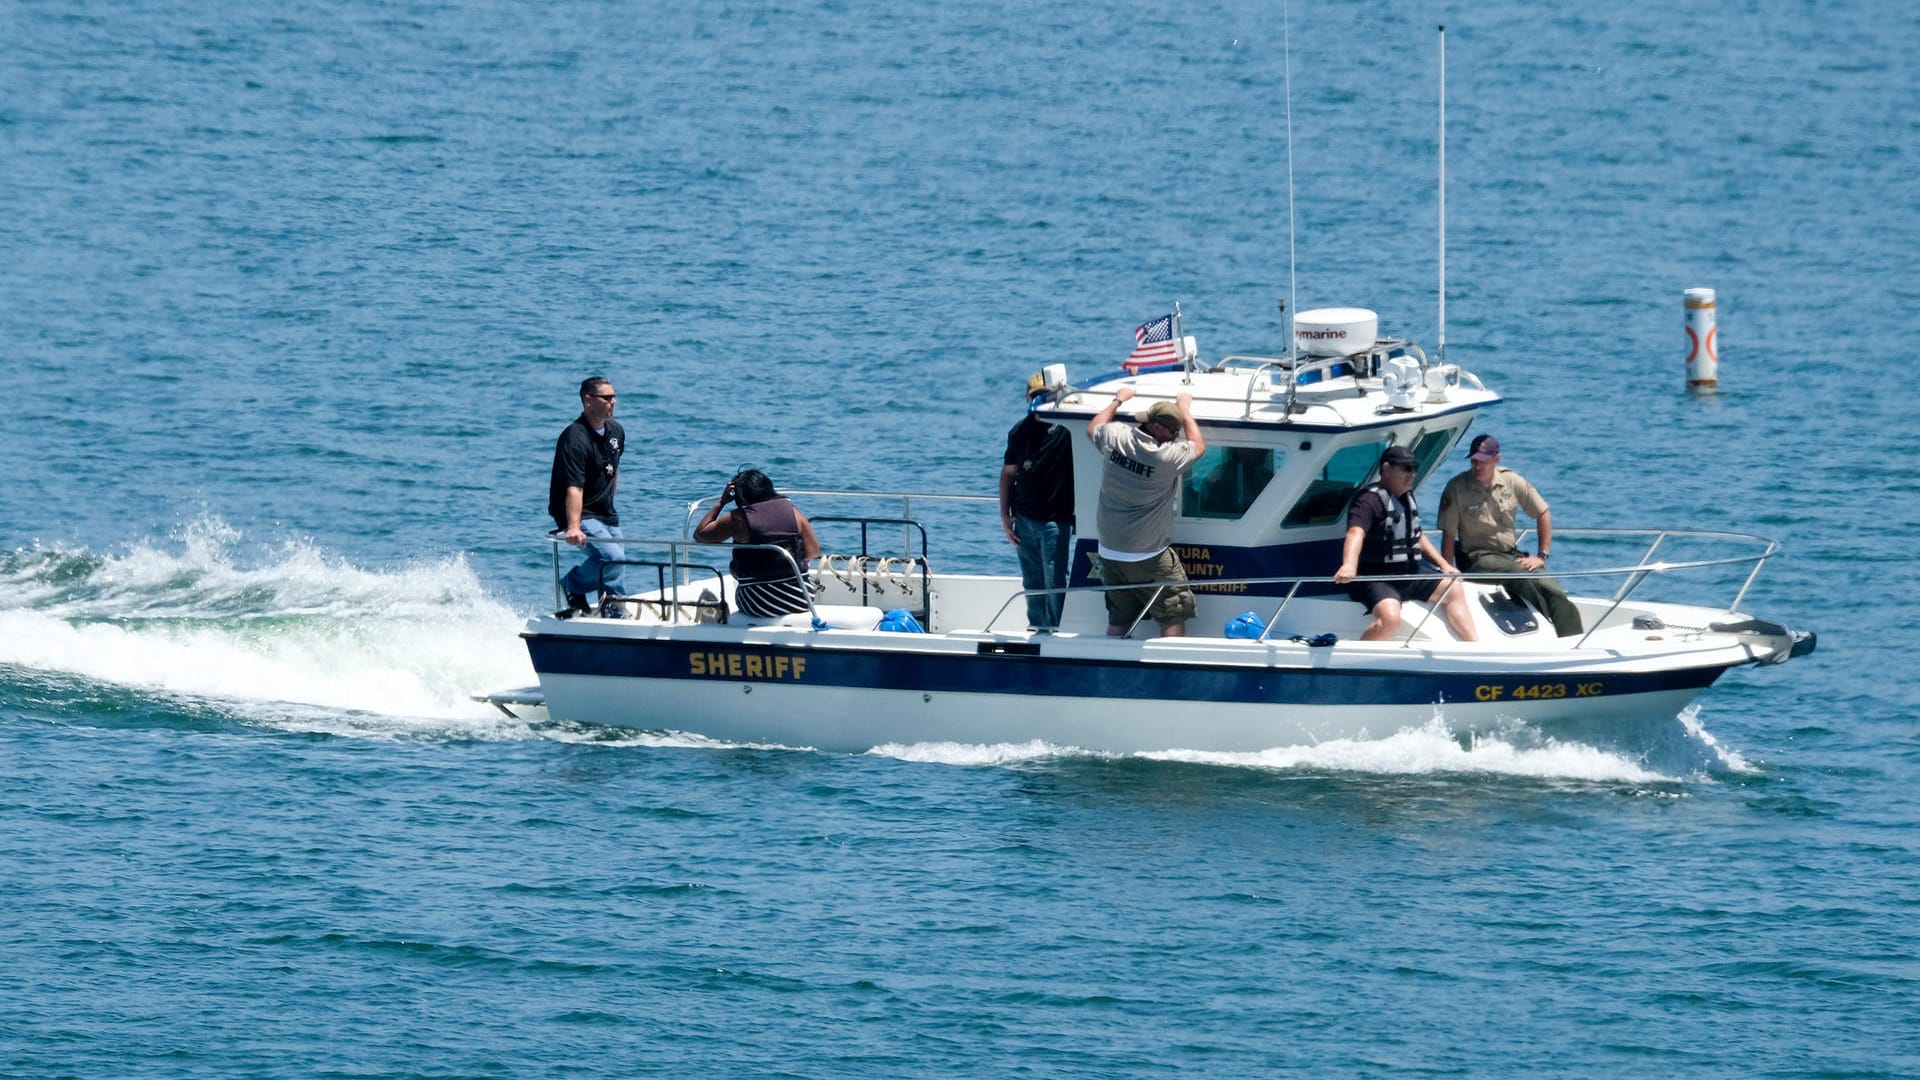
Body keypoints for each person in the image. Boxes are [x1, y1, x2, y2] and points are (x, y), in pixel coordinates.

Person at [1084, 387, 1205, 637]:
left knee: (1120, 615)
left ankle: (1112, 665)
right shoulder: (1165, 457)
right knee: (1174, 611)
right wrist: (1185, 410)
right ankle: (1171, 670)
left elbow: (1092, 428)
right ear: (1158, 430)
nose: (1175, 437)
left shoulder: (1117, 437)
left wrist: (1117, 400)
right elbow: (1198, 446)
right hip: (1148, 554)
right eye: (1173, 432)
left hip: (1108, 551)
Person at [1437, 434, 1583, 636]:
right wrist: (1448, 571)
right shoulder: (1457, 488)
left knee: (1551, 588)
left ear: (1496, 459)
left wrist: (1541, 556)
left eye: (1482, 461)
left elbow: (1542, 512)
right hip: (1477, 558)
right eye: (1473, 461)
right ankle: (1550, 628)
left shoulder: (1511, 481)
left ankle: (1573, 638)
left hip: (1510, 554)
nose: (1476, 466)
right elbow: (1448, 534)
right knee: (1519, 575)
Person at [1333, 445, 1479, 642]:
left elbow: (1418, 536)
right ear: (1386, 469)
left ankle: (1473, 646)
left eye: (1414, 469)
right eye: (1406, 469)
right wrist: (1349, 565)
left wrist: (1444, 565)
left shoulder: (1406, 498)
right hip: (1376, 578)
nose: (1412, 474)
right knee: (1391, 619)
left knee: (1453, 589)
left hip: (1409, 573)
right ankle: (1352, 660)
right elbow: (1355, 532)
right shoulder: (1368, 501)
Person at [1000, 373, 1075, 629]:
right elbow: (1008, 474)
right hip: (1024, 518)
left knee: (1055, 582)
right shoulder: (1019, 431)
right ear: (1026, 398)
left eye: (1045, 395)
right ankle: (1036, 627)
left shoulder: (1065, 430)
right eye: (1035, 395)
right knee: (1031, 582)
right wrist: (1005, 517)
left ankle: (1054, 631)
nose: (1039, 400)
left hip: (1055, 521)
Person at [548, 376, 627, 617]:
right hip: (580, 511)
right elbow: (574, 487)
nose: (613, 402)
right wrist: (572, 526)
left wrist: (610, 503)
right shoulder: (575, 437)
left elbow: (612, 470)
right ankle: (572, 584)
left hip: (605, 511)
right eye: (606, 397)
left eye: (614, 396)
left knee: (618, 562)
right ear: (588, 400)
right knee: (611, 556)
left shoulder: (616, 432)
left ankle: (613, 607)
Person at [694, 469, 821, 618]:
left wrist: (721, 502)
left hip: (759, 603)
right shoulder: (793, 512)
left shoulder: (738, 518)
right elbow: (813, 552)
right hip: (802, 599)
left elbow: (700, 535)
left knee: (735, 568)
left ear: (740, 495)